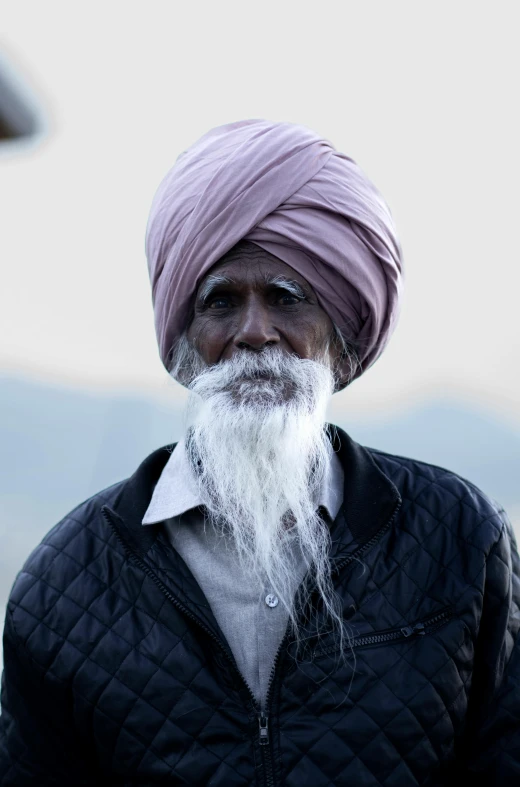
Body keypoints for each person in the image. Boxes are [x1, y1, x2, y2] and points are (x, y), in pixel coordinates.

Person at [1, 120, 519, 787]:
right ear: (187, 339)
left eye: (286, 298)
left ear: (338, 335)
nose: (254, 332)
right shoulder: (66, 581)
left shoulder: (457, 538)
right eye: (221, 301)